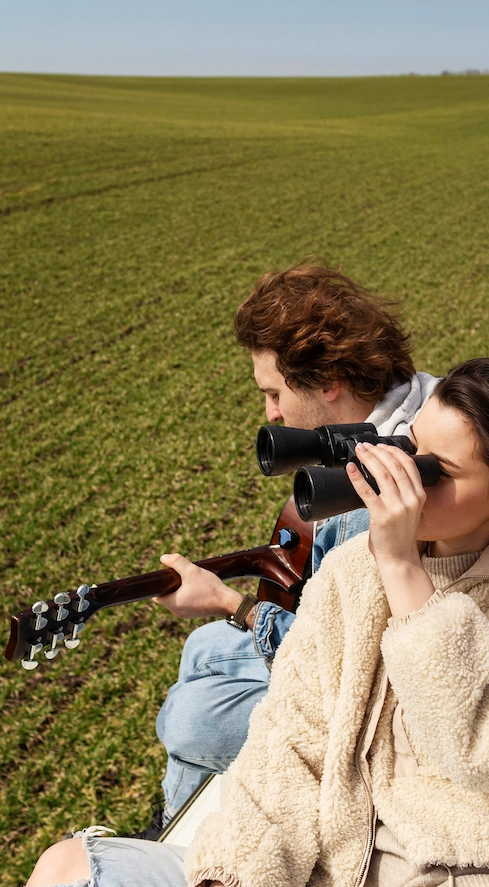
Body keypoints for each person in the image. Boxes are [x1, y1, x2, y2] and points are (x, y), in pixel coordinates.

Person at [14, 358, 489, 887]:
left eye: (436, 471)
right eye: (409, 447)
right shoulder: (350, 574)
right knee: (70, 877)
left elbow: (483, 750)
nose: (403, 476)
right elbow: (288, 746)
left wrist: (403, 570)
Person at [151, 262, 438, 826]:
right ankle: (204, 813)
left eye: (274, 392)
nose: (271, 414)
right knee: (203, 651)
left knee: (190, 721)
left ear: (329, 381)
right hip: (351, 651)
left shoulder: (373, 498)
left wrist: (228, 602)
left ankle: (182, 836)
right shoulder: (421, 402)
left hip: (379, 708)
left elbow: (333, 669)